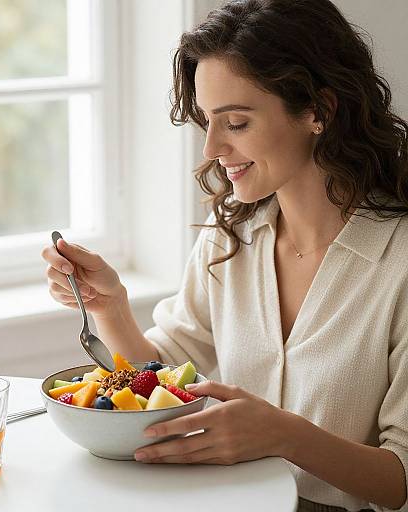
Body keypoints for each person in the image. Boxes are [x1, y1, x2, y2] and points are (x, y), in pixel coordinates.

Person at [41, 0, 408, 510]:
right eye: (207, 122)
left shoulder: (400, 262)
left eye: (235, 123)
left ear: (319, 111)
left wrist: (285, 436)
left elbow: (403, 478)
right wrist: (110, 307)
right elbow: (165, 377)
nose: (212, 147)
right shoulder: (230, 235)